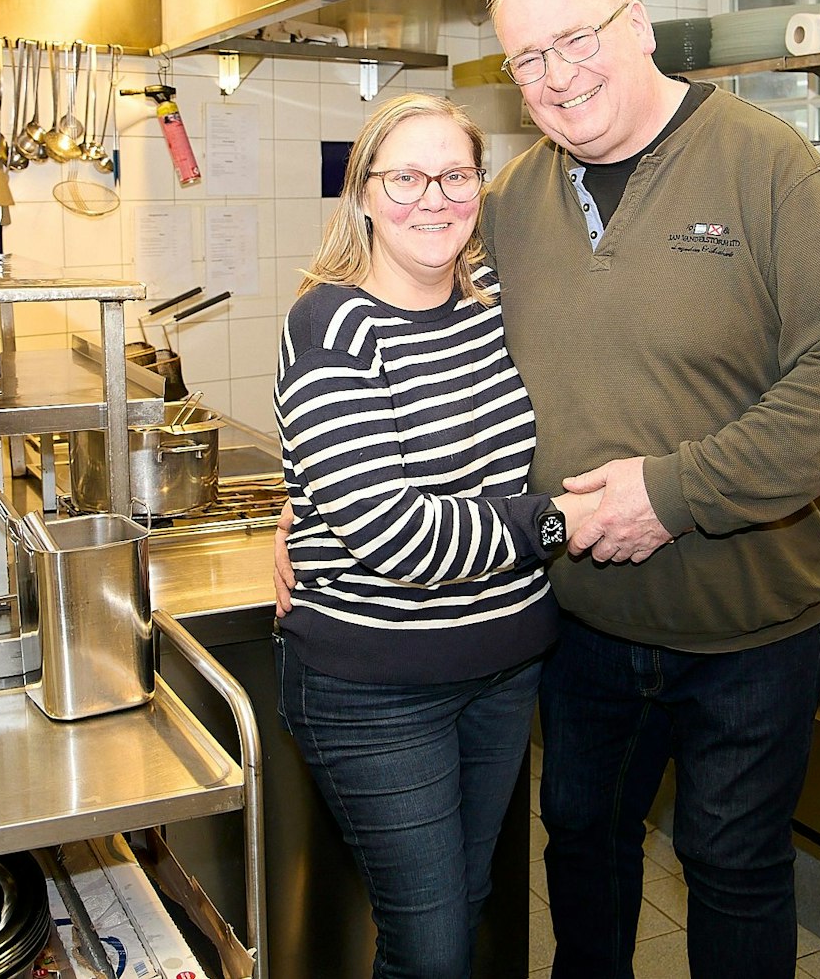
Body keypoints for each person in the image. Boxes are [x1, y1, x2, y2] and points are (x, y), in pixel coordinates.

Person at [479, 0, 820, 978]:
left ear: (639, 26)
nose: (557, 75)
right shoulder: (516, 202)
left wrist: (671, 493)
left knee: (732, 864)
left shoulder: (765, 163)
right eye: (526, 59)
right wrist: (317, 501)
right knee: (581, 850)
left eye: (575, 37)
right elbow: (435, 363)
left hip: (749, 626)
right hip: (579, 625)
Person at [271, 91, 601, 979]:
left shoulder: (491, 300)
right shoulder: (330, 323)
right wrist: (560, 523)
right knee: (433, 946)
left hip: (502, 670)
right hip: (377, 687)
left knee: (467, 906)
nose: (433, 198)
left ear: (479, 188)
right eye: (406, 176)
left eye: (455, 175)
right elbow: (395, 535)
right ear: (365, 193)